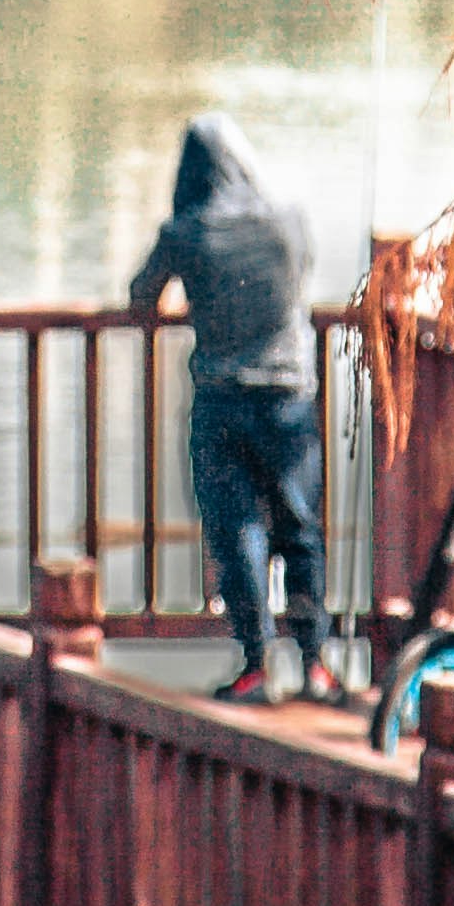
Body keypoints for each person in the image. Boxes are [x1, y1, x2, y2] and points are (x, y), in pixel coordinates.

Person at [125, 115, 336, 699]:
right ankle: (316, 663)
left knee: (238, 529)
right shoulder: (287, 219)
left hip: (221, 402)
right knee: (300, 528)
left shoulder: (187, 233)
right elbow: (302, 278)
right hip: (290, 398)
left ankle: (255, 665)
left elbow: (141, 297)